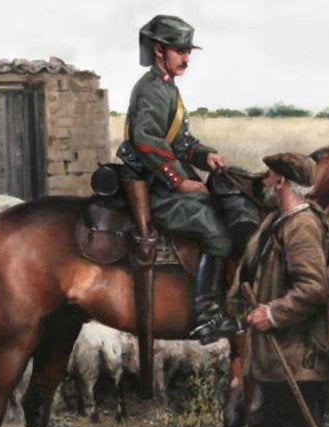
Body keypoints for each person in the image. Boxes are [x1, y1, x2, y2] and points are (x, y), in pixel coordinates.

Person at [117, 14, 251, 343]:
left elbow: (181, 142)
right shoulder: (151, 90)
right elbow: (147, 141)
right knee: (216, 230)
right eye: (180, 51)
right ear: (160, 50)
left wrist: (207, 156)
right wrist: (179, 181)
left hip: (163, 179)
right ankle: (207, 317)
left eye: (189, 51)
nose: (187, 58)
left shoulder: (167, 88)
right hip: (153, 186)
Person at [240, 152, 329, 427]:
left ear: (281, 181)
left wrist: (273, 313)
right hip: (279, 358)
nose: (263, 179)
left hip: (298, 356)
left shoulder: (302, 226)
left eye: (270, 175)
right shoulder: (279, 221)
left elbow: (313, 288)